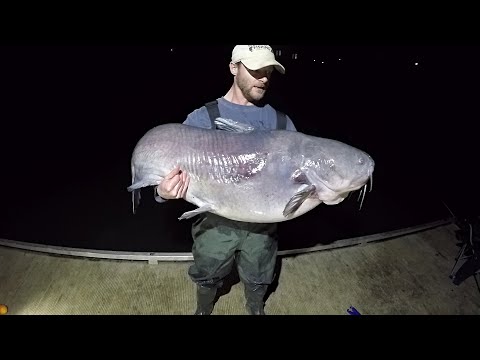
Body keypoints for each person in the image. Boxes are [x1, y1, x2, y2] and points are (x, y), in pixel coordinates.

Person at [155, 45, 297, 315]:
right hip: (214, 223)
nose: (264, 77)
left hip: (261, 228)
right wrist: (163, 191)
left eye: (268, 70)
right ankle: (203, 309)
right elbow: (165, 174)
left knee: (259, 275)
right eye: (256, 70)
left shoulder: (280, 123)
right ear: (234, 68)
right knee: (207, 273)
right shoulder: (202, 119)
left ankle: (255, 308)